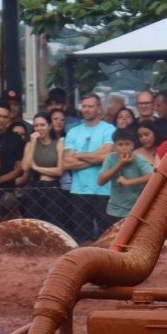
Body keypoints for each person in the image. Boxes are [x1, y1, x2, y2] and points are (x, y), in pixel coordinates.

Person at [60, 93, 116, 241]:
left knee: (107, 236)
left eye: (90, 106)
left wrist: (78, 155)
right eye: (84, 106)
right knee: (82, 237)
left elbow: (106, 157)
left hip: (103, 190)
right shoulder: (73, 132)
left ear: (99, 109)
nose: (86, 109)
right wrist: (95, 157)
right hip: (79, 190)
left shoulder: (109, 130)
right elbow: (66, 163)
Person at [98, 123, 156, 229]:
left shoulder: (139, 159)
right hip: (114, 210)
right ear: (114, 147)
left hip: (136, 210)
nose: (124, 148)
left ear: (133, 145)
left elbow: (153, 176)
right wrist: (120, 164)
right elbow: (101, 181)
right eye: (120, 145)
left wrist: (129, 182)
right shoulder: (111, 158)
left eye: (127, 144)